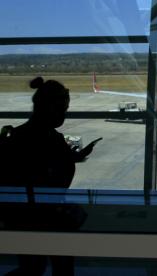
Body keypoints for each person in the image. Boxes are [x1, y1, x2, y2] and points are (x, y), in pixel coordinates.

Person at [1, 77, 95, 276]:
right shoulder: (50, 139)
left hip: (25, 217)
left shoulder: (18, 136)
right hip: (40, 218)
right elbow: (40, 176)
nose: (64, 114)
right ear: (50, 107)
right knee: (55, 267)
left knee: (33, 267)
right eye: (63, 109)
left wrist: (73, 157)